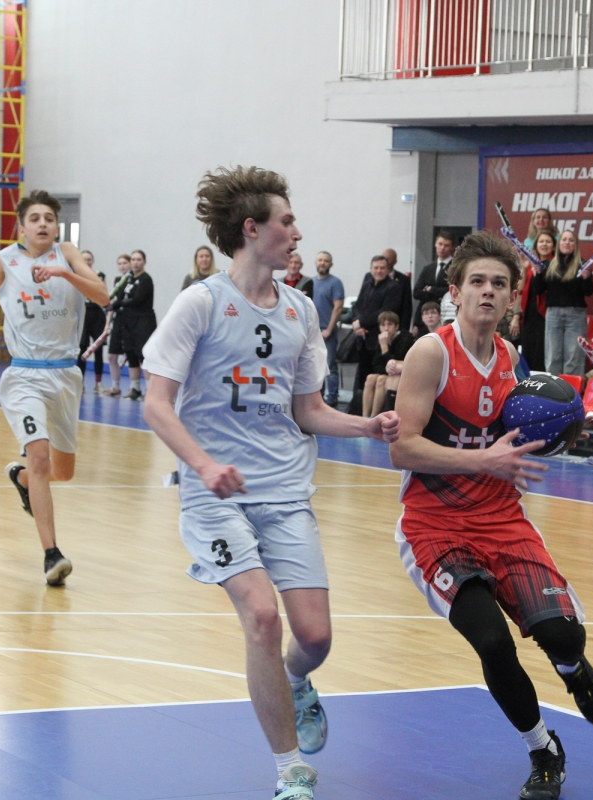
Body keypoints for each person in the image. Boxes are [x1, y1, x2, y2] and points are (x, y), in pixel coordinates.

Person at [143, 166, 400, 800]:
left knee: (314, 637)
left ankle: (296, 680)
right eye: (287, 221)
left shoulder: (300, 309)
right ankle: (291, 771)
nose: (297, 232)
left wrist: (367, 426)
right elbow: (156, 404)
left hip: (285, 491)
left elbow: (307, 410)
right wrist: (203, 465)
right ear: (252, 229)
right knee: (262, 615)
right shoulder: (201, 303)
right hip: (216, 495)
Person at [389, 229, 593, 800]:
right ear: (455, 291)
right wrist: (482, 459)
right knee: (491, 641)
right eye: (477, 282)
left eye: (499, 283)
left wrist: (561, 430)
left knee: (563, 636)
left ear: (513, 296)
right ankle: (543, 749)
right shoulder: (431, 353)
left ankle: (572, 668)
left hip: (502, 517)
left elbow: (522, 429)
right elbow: (402, 449)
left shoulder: (512, 357)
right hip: (435, 523)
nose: (487, 291)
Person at [0, 190, 109, 585]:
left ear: (57, 227)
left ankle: (23, 479)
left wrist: (65, 273)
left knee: (62, 472)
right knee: (40, 457)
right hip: (24, 375)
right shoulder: (7, 259)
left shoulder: (67, 253)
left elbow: (102, 295)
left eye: (49, 218)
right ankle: (52, 555)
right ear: (22, 227)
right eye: (35, 218)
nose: (43, 223)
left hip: (65, 375)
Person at [533, 228, 593, 377]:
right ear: (558, 243)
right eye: (564, 239)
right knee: (552, 357)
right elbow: (538, 289)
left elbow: (589, 291)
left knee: (574, 358)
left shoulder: (583, 264)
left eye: (571, 240)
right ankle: (554, 389)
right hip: (553, 314)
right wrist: (537, 274)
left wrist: (586, 278)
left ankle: (572, 389)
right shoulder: (548, 265)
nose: (567, 243)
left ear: (576, 244)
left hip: (576, 315)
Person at [351, 255, 404, 409]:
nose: (379, 271)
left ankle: (375, 413)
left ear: (388, 270)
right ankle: (360, 412)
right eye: (376, 267)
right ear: (370, 269)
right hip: (362, 338)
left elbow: (385, 311)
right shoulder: (367, 284)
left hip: (379, 338)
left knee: (376, 376)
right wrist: (357, 324)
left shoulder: (393, 287)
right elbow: (357, 306)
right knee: (362, 378)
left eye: (382, 268)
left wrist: (361, 322)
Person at [113, 249, 156, 400]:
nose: (135, 262)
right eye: (133, 259)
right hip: (128, 321)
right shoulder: (128, 279)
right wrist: (114, 303)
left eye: (138, 259)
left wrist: (120, 303)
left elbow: (137, 300)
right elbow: (119, 296)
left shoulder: (145, 279)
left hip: (143, 322)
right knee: (131, 354)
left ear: (144, 262)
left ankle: (150, 390)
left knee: (143, 356)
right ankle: (135, 388)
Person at [510, 230, 554, 372]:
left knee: (540, 355)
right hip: (529, 314)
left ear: (554, 246)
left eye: (548, 242)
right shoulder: (530, 264)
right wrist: (524, 268)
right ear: (536, 246)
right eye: (541, 241)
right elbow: (520, 288)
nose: (544, 244)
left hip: (545, 314)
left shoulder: (555, 263)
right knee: (528, 353)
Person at [362, 310, 414, 416]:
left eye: (389, 324)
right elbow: (376, 365)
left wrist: (384, 347)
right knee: (370, 378)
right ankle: (364, 416)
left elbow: (395, 363)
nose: (386, 328)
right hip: (387, 372)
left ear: (396, 326)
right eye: (383, 325)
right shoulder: (381, 339)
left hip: (401, 374)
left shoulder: (405, 339)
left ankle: (374, 416)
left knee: (381, 379)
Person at [310, 251, 344, 407]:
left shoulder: (335, 283)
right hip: (312, 333)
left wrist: (329, 330)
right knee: (315, 368)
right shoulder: (310, 282)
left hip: (327, 332)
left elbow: (338, 308)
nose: (322, 263)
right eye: (320, 260)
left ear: (331, 264)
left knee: (330, 366)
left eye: (326, 260)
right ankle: (319, 399)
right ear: (316, 262)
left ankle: (332, 399)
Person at [74, 250, 109, 393]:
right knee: (82, 348)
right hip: (83, 314)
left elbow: (104, 294)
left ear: (93, 261)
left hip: (97, 314)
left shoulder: (99, 275)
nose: (87, 262)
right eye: (84, 259)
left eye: (89, 259)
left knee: (98, 349)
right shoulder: (75, 275)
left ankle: (98, 383)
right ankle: (80, 383)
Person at [412, 231, 454, 334]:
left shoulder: (455, 267)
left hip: (445, 316)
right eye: (440, 244)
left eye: (446, 245)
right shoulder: (428, 268)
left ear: (452, 247)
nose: (442, 248)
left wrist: (431, 289)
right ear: (435, 244)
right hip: (424, 318)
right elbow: (416, 292)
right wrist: (436, 295)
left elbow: (452, 290)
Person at [105, 253, 131, 397]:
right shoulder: (117, 280)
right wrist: (107, 323)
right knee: (111, 356)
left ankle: (136, 388)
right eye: (119, 264)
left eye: (125, 263)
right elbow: (112, 303)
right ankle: (115, 387)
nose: (122, 266)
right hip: (118, 320)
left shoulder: (133, 280)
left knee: (134, 356)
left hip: (130, 321)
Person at [382, 247, 412, 328]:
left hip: (396, 324)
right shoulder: (373, 278)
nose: (384, 261)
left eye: (387, 258)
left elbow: (407, 307)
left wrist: (404, 329)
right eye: (382, 258)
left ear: (395, 262)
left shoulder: (404, 280)